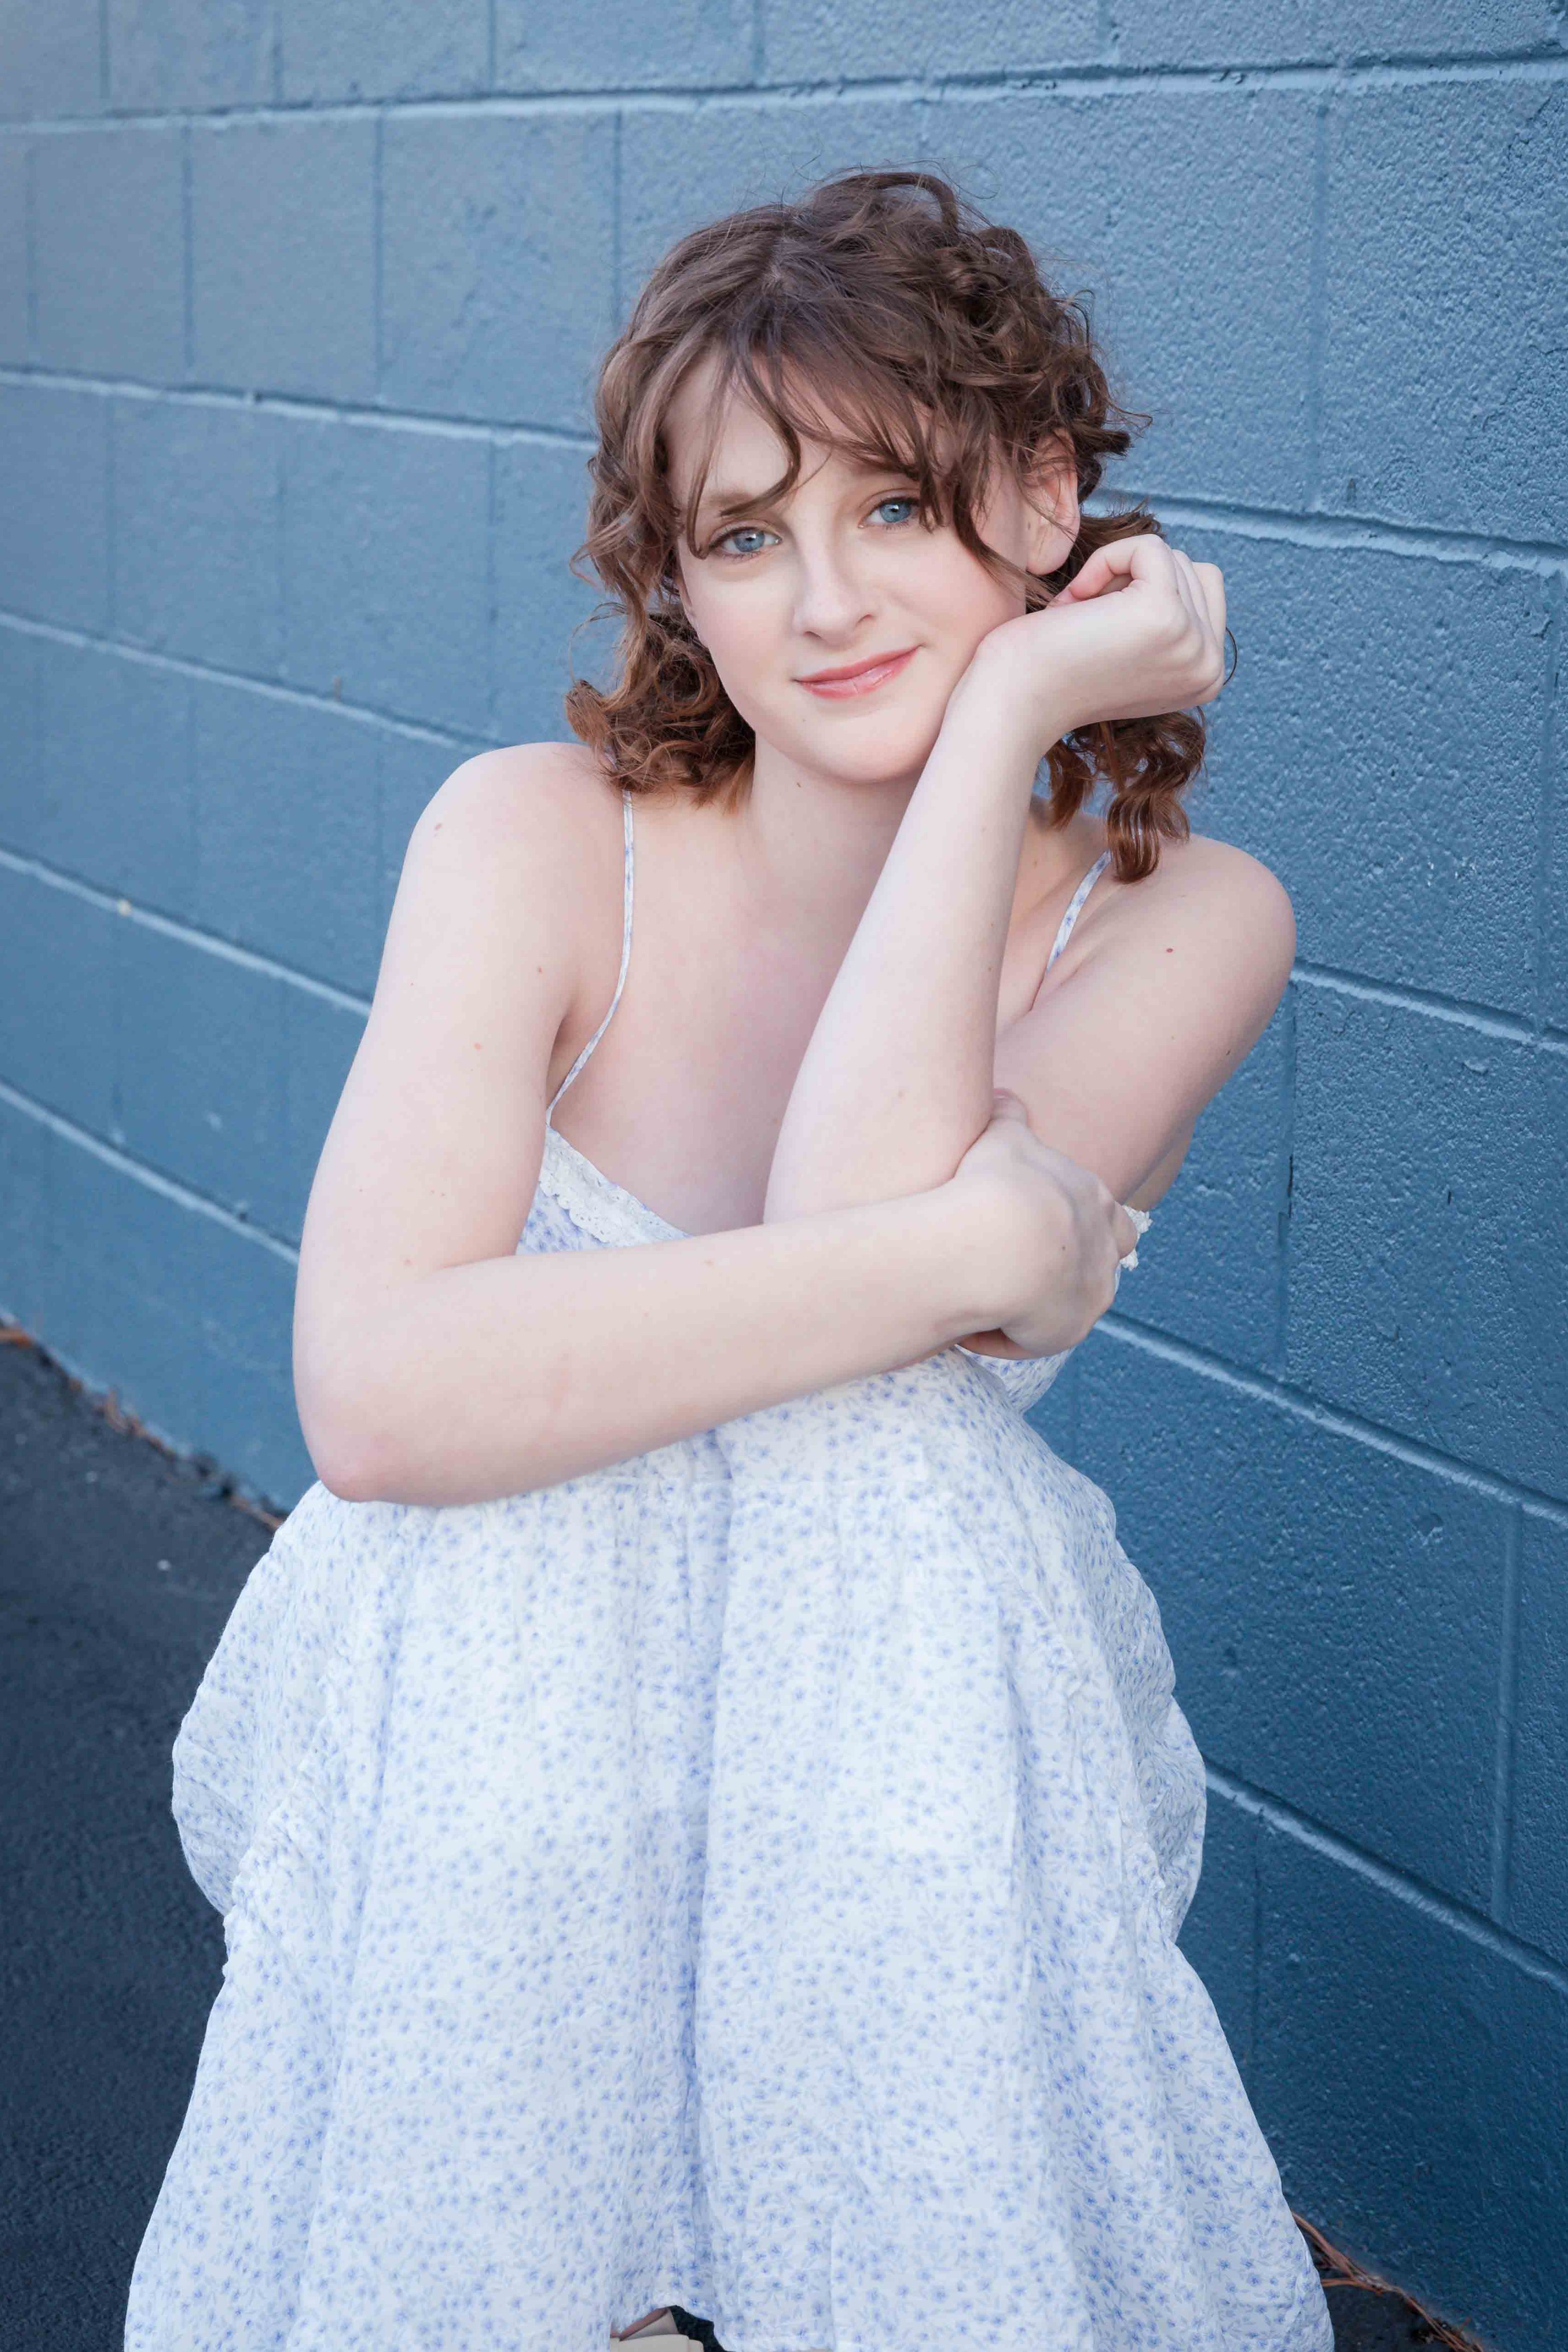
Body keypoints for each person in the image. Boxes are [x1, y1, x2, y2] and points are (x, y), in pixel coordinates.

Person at [127, 171, 1332, 2351]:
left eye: (896, 507)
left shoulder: (1185, 914)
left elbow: (843, 1199)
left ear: (1051, 499)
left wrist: (997, 726)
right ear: (675, 576)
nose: (824, 601)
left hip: (874, 1755)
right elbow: (384, 1404)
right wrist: (985, 1236)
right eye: (746, 535)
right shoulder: (534, 836)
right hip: (513, 1738)